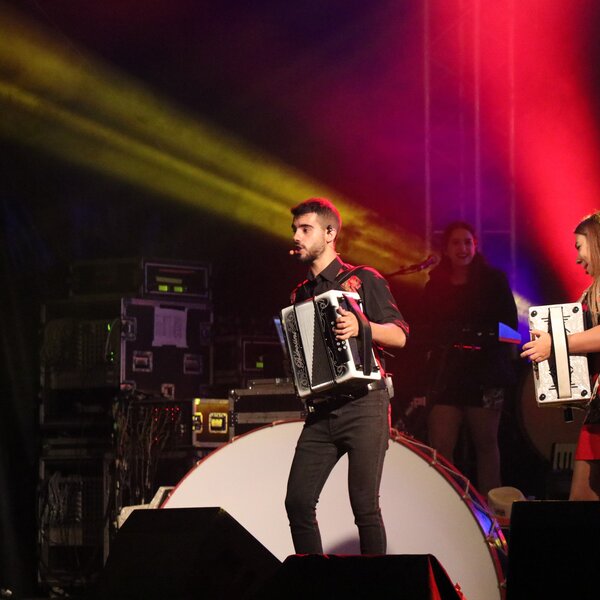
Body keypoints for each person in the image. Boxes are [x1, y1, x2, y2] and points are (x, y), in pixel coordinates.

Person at [284, 197, 408, 555]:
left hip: (365, 404)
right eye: (295, 230)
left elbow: (400, 336)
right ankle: (314, 581)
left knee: (364, 507)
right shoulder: (300, 293)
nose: (296, 237)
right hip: (323, 409)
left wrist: (361, 325)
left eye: (305, 229)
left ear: (330, 233)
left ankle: (373, 583)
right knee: (298, 502)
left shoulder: (363, 278)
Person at [410, 221, 518, 496]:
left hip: (486, 374)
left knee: (486, 444)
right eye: (456, 243)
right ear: (445, 249)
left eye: (467, 242)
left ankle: (491, 509)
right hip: (446, 375)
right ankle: (449, 505)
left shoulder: (494, 280)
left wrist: (482, 336)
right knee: (441, 446)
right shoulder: (436, 283)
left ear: (475, 246)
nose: (463, 248)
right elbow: (423, 328)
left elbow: (510, 327)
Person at [521, 211, 600, 500]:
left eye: (579, 247)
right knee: (582, 497)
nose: (577, 259)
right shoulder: (593, 290)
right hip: (597, 408)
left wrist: (555, 344)